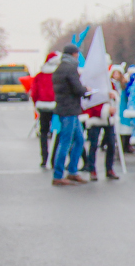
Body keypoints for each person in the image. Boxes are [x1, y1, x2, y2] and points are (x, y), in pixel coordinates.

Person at [51, 44, 89, 186]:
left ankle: (72, 171)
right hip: (70, 110)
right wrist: (87, 89)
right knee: (66, 142)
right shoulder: (71, 69)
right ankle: (58, 175)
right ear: (74, 54)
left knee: (79, 140)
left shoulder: (59, 68)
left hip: (64, 108)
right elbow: (77, 88)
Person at [82, 69, 119, 181]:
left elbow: (115, 96)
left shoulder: (109, 83)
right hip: (95, 118)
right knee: (94, 145)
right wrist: (107, 110)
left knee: (111, 144)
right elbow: (90, 103)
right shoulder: (91, 84)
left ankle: (109, 168)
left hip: (108, 119)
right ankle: (92, 169)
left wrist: (114, 96)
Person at [30, 51, 60, 167]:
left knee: (43, 132)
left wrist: (36, 104)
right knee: (56, 132)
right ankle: (53, 159)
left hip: (43, 106)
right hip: (56, 106)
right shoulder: (58, 75)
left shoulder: (40, 75)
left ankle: (44, 157)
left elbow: (34, 92)